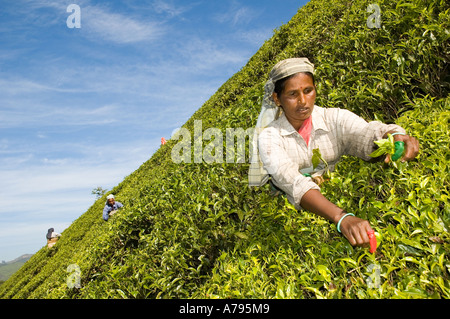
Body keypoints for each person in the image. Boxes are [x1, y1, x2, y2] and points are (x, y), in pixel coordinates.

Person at [249, 57, 419, 249]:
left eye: (308, 91)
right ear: (277, 99)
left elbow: (365, 133)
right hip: (298, 208)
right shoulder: (269, 137)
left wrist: (393, 135)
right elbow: (294, 183)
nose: (303, 101)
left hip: (334, 190)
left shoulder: (334, 118)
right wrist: (341, 218)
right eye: (292, 94)